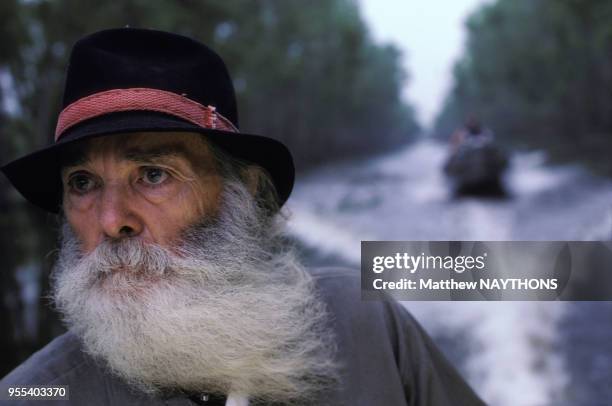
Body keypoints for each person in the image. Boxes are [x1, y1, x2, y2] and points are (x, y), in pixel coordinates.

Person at [0, 28, 484, 405]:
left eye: (152, 174)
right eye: (82, 183)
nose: (111, 221)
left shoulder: (365, 324)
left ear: (244, 192)